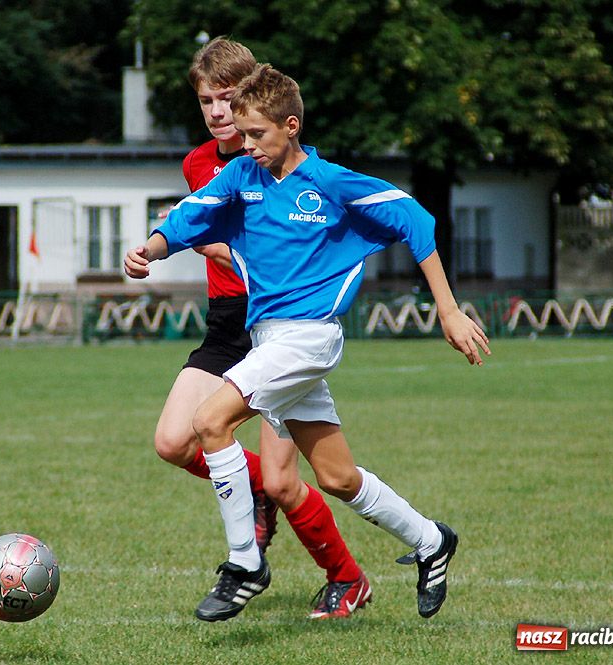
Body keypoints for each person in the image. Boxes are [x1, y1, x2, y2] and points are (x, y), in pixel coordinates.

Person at [125, 63, 491, 621]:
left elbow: (416, 221)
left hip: (308, 339)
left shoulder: (331, 183)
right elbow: (188, 217)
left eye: (256, 134)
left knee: (209, 422)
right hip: (267, 341)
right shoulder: (242, 177)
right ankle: (431, 540)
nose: (246, 144)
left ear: (291, 126)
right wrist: (148, 250)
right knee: (337, 477)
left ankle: (245, 563)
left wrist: (448, 309)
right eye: (242, 134)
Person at [152, 38, 370, 621]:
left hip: (281, 323)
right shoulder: (198, 164)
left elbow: (265, 248)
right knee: (172, 441)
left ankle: (347, 579)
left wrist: (206, 243)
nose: (218, 112)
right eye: (206, 101)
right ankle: (248, 490)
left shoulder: (278, 162)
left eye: (227, 98)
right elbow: (203, 228)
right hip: (228, 323)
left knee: (282, 481)